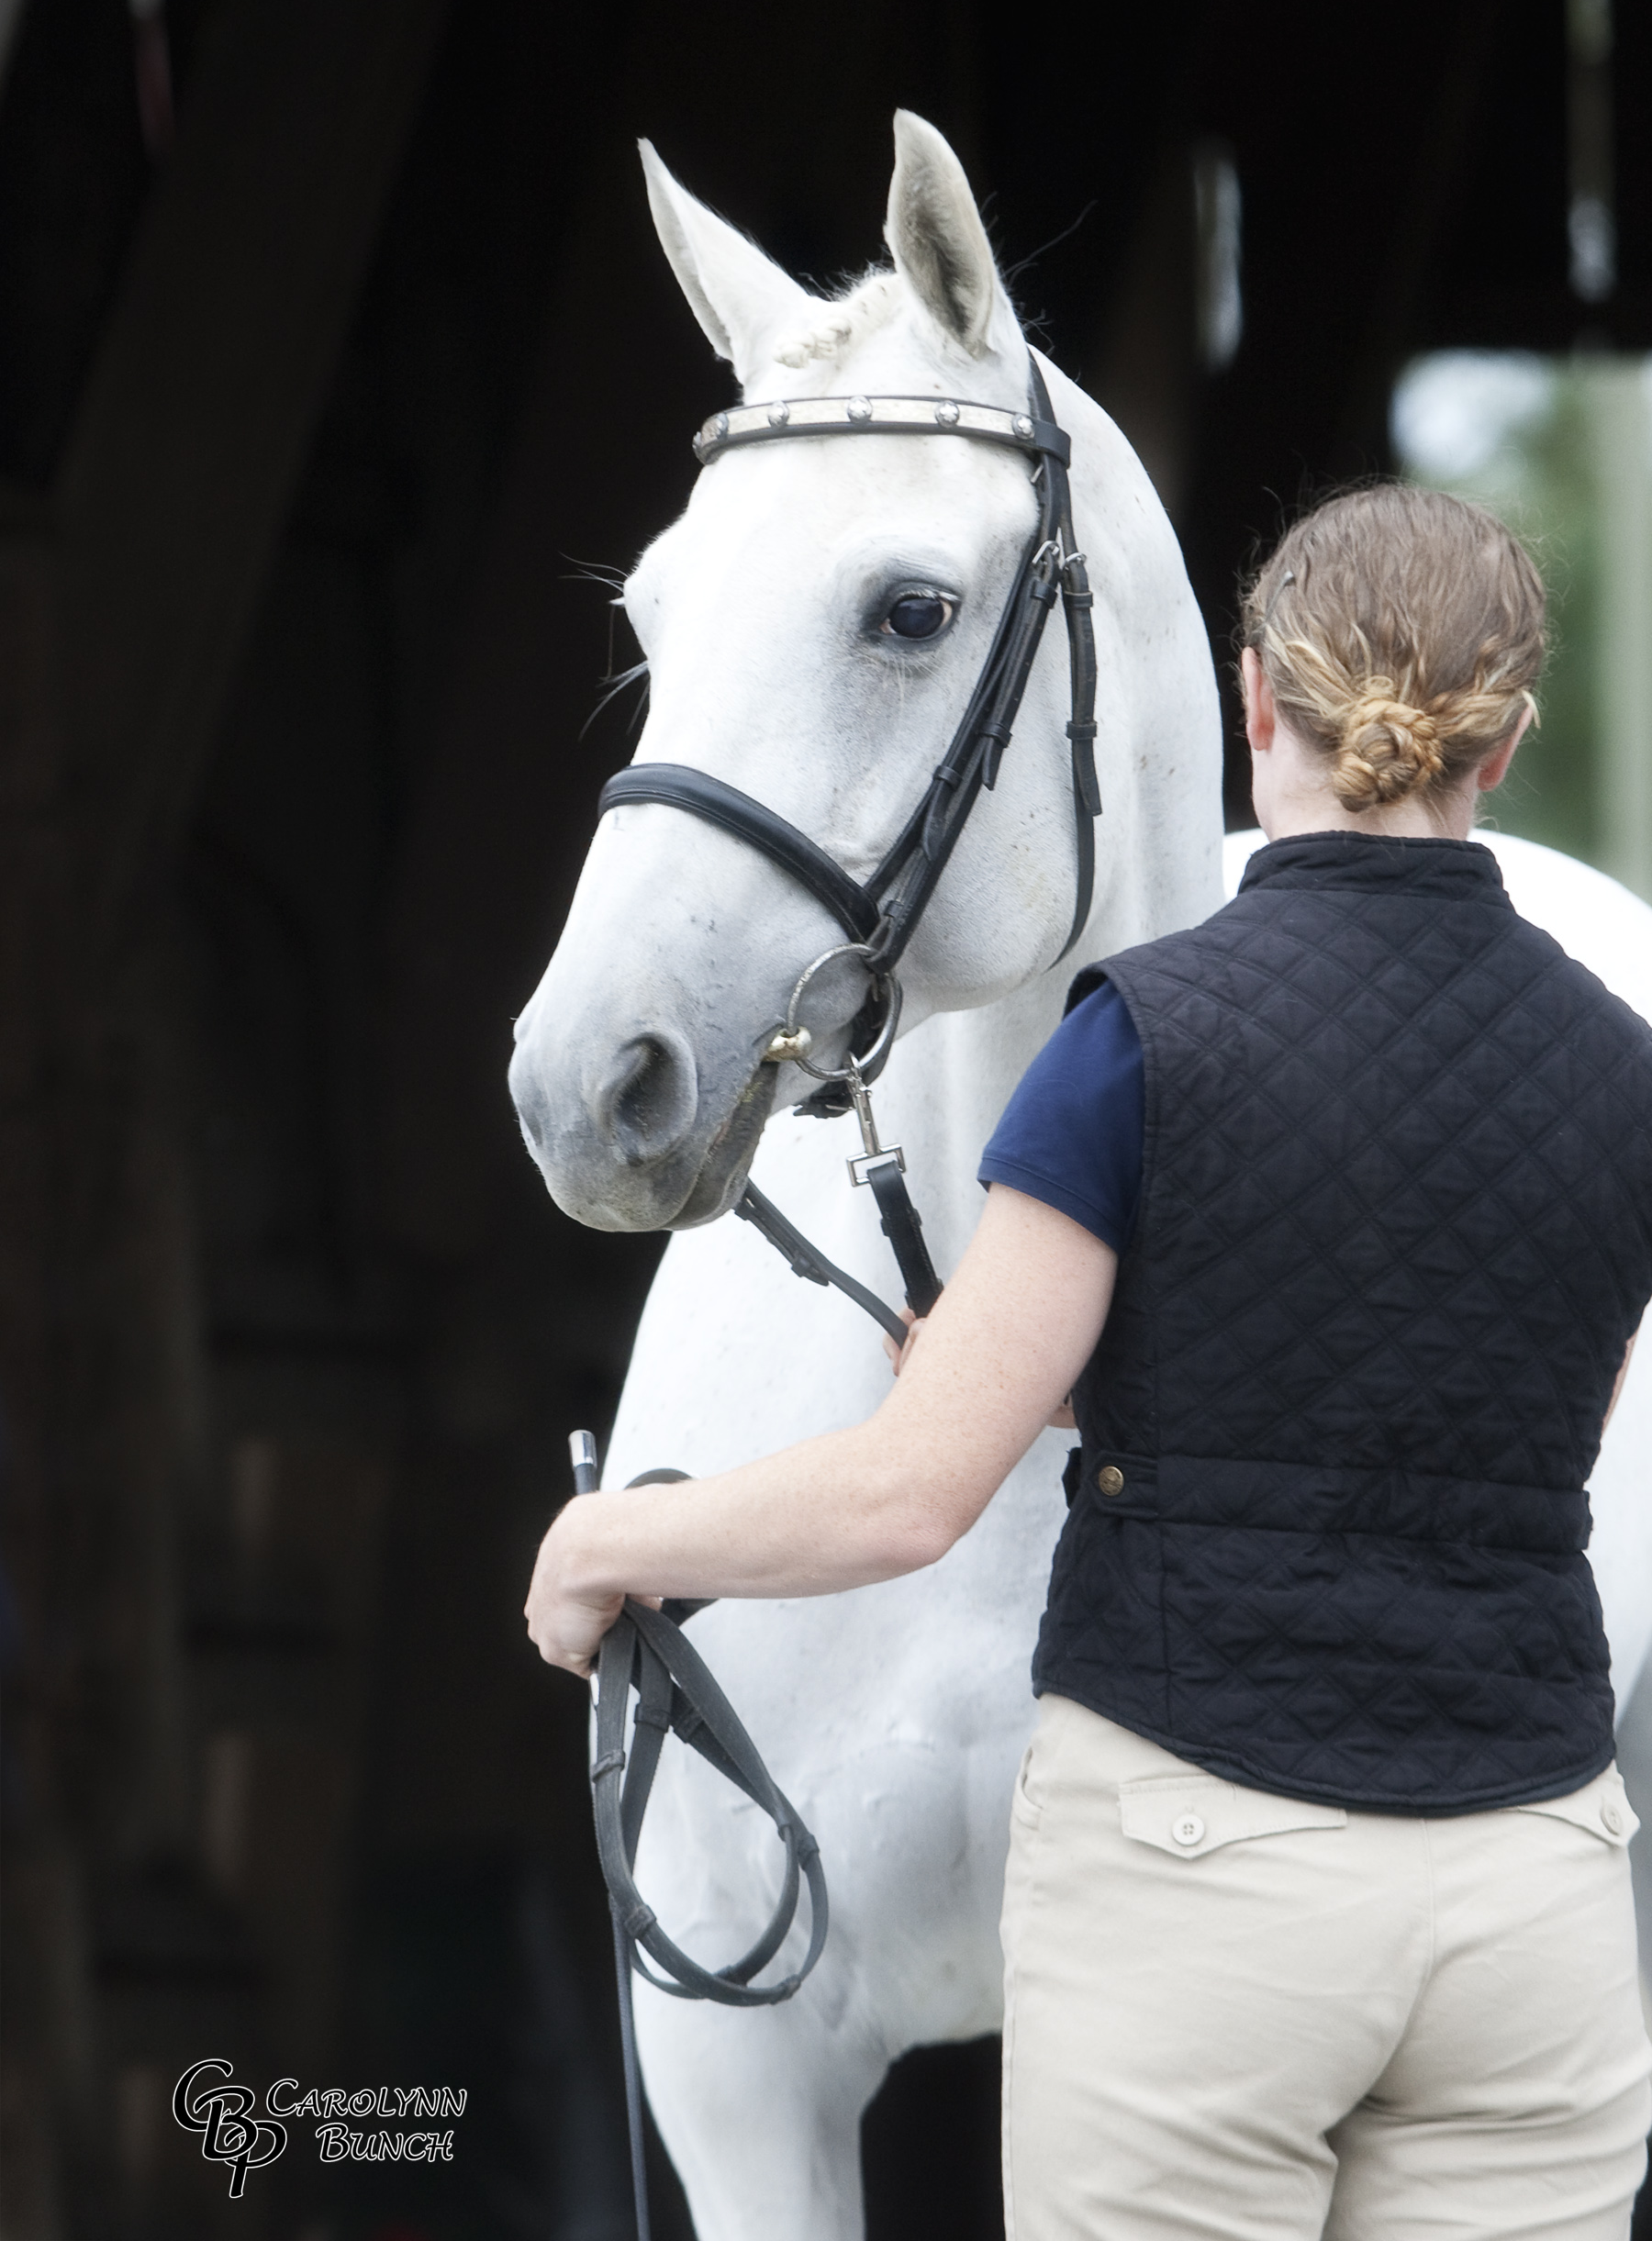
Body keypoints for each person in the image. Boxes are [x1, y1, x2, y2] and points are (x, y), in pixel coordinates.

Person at [527, 485, 1652, 2239]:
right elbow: (1543, 1429)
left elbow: (913, 1493)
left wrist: (615, 1548)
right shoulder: (1621, 1060)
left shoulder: (1137, 1045)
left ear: (1253, 706)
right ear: (1502, 741)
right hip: (1529, 1906)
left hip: (1212, 1900)